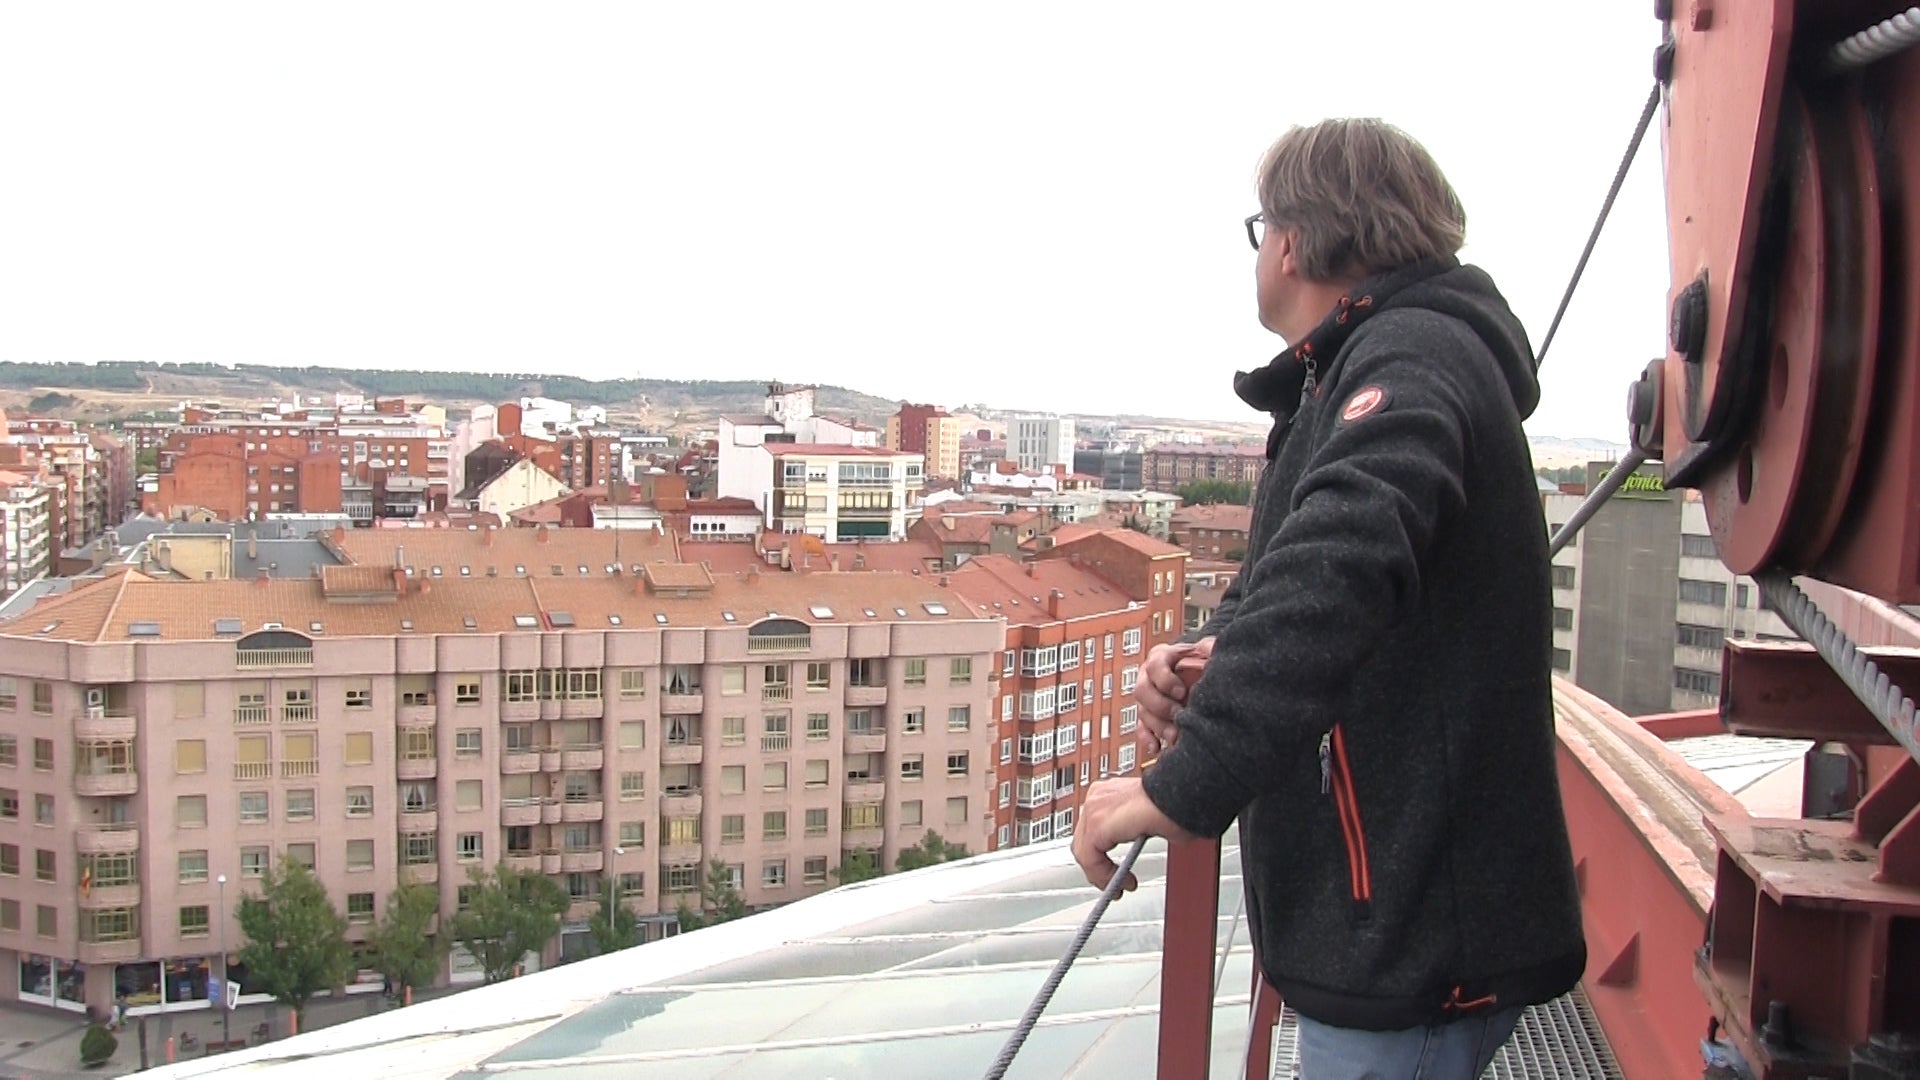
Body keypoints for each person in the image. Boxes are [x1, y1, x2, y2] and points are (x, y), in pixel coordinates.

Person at [1071, 118, 1586, 1078]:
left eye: (1259, 227)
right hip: (1401, 918)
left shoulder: (1409, 361)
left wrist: (1182, 781)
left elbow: (1343, 564)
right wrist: (1206, 657)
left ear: (1295, 242)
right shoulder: (1363, 369)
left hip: (1413, 939)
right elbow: (1313, 576)